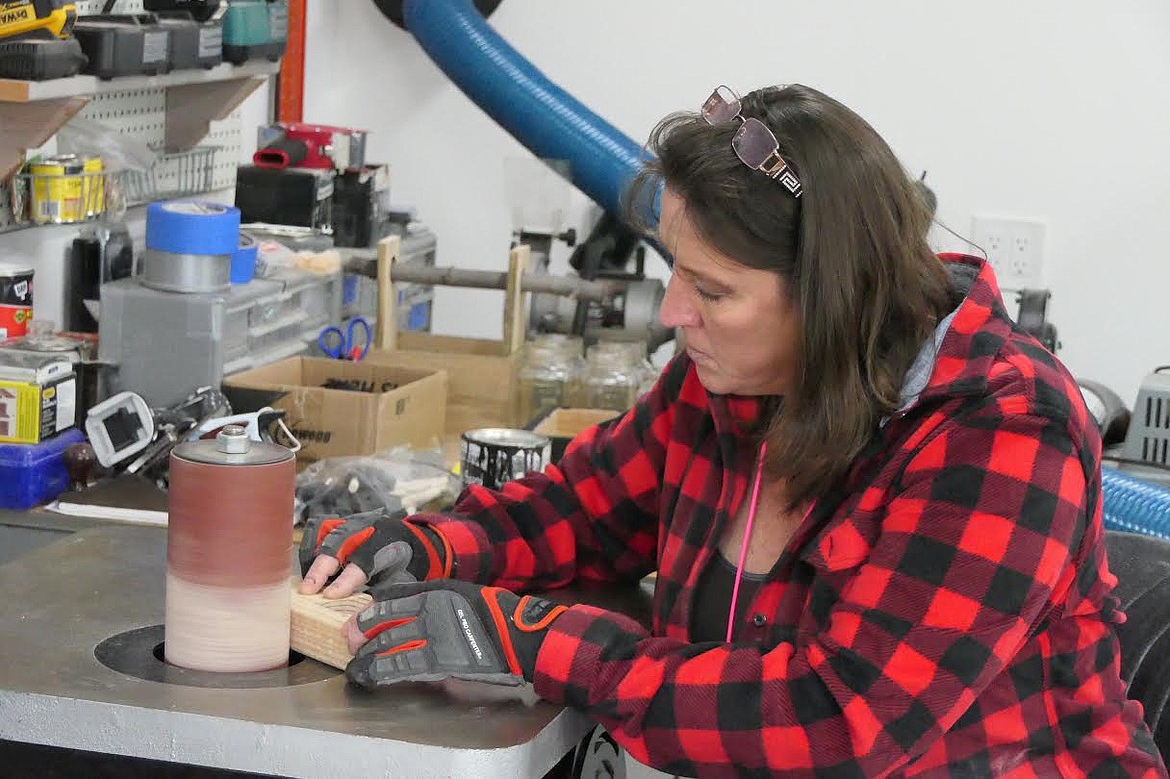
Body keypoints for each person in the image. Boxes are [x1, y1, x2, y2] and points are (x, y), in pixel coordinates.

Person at [299, 83, 1167, 778]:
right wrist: (429, 546)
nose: (676, 313)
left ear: (833, 297)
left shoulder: (1002, 430)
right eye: (679, 274)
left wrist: (533, 639)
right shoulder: (743, 378)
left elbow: (839, 724)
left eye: (713, 293)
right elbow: (587, 507)